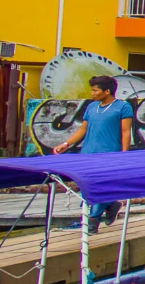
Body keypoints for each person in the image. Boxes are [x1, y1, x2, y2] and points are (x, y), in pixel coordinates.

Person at [51, 75, 132, 234]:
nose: (92, 93)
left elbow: (125, 131)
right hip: (88, 153)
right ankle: (111, 205)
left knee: (101, 186)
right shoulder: (91, 107)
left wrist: (124, 154)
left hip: (109, 154)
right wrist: (66, 144)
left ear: (107, 91)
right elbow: (83, 130)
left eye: (95, 90)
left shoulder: (123, 107)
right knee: (87, 187)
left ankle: (92, 221)